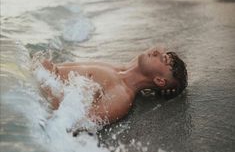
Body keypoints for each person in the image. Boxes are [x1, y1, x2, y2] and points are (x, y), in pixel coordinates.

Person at [37, 47, 187, 132]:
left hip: (34, 94)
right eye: (162, 54)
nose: (156, 52)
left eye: (163, 59)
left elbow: (74, 122)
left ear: (160, 80)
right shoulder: (120, 69)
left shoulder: (122, 96)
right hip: (31, 79)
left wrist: (45, 79)